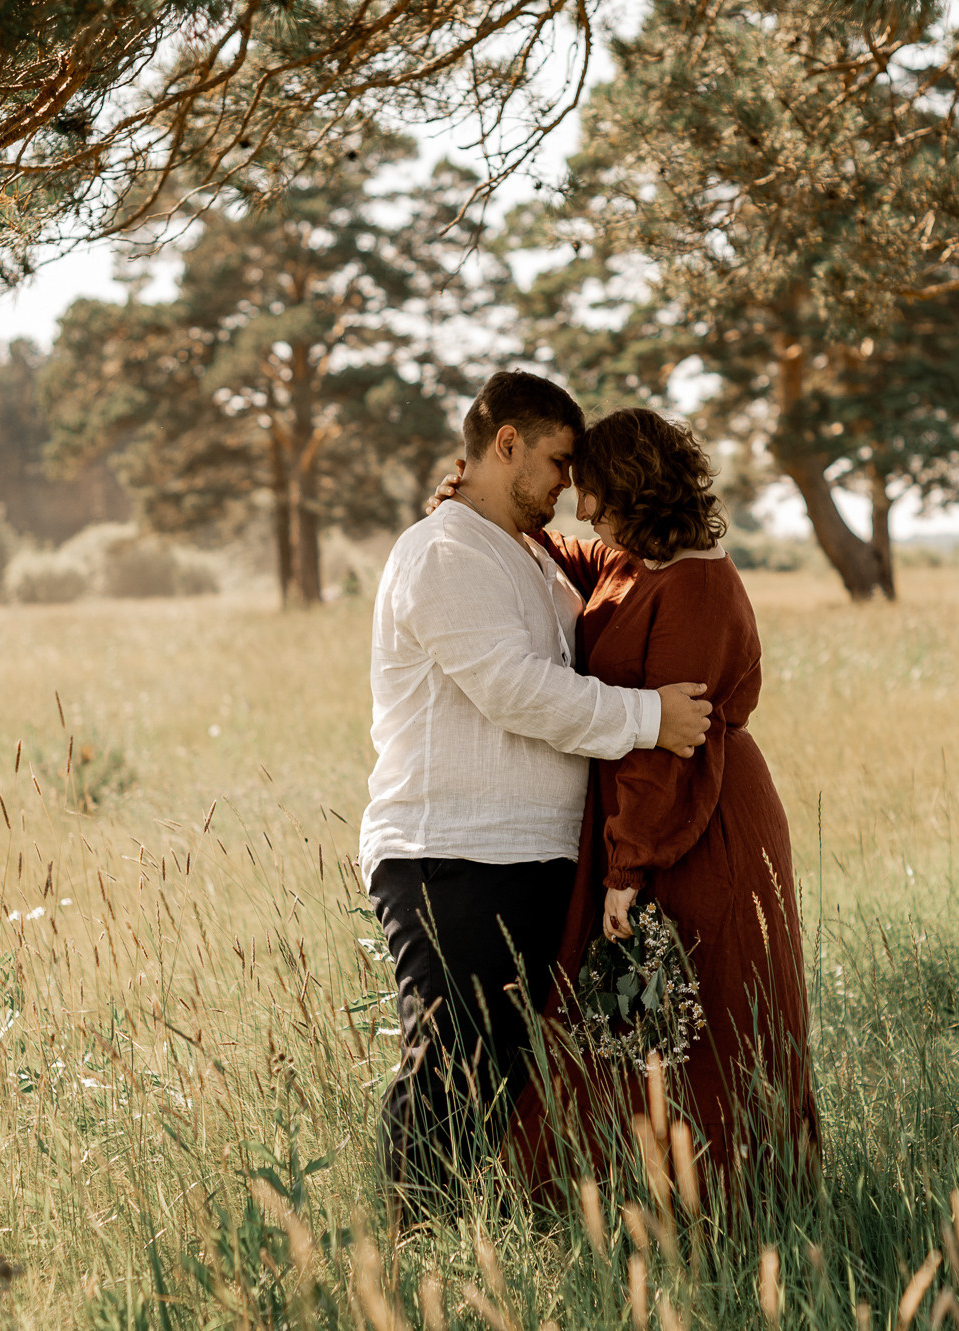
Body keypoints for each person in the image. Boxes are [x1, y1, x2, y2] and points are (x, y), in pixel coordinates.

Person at [359, 371, 715, 1219]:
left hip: (527, 857)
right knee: (450, 1068)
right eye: (559, 462)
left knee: (503, 1078)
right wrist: (650, 718)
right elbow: (514, 689)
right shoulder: (445, 553)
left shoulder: (526, 554)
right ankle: (405, 1257)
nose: (568, 487)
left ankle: (469, 1248)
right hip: (453, 854)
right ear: (507, 443)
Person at [497, 405, 820, 1205]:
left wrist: (628, 868)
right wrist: (500, 514)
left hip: (697, 823)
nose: (584, 510)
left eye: (595, 493)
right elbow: (585, 559)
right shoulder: (639, 560)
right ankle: (621, 1197)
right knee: (633, 1017)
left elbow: (670, 747)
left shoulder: (696, 584)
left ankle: (727, 1205)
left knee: (699, 1019)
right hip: (653, 819)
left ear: (636, 489)